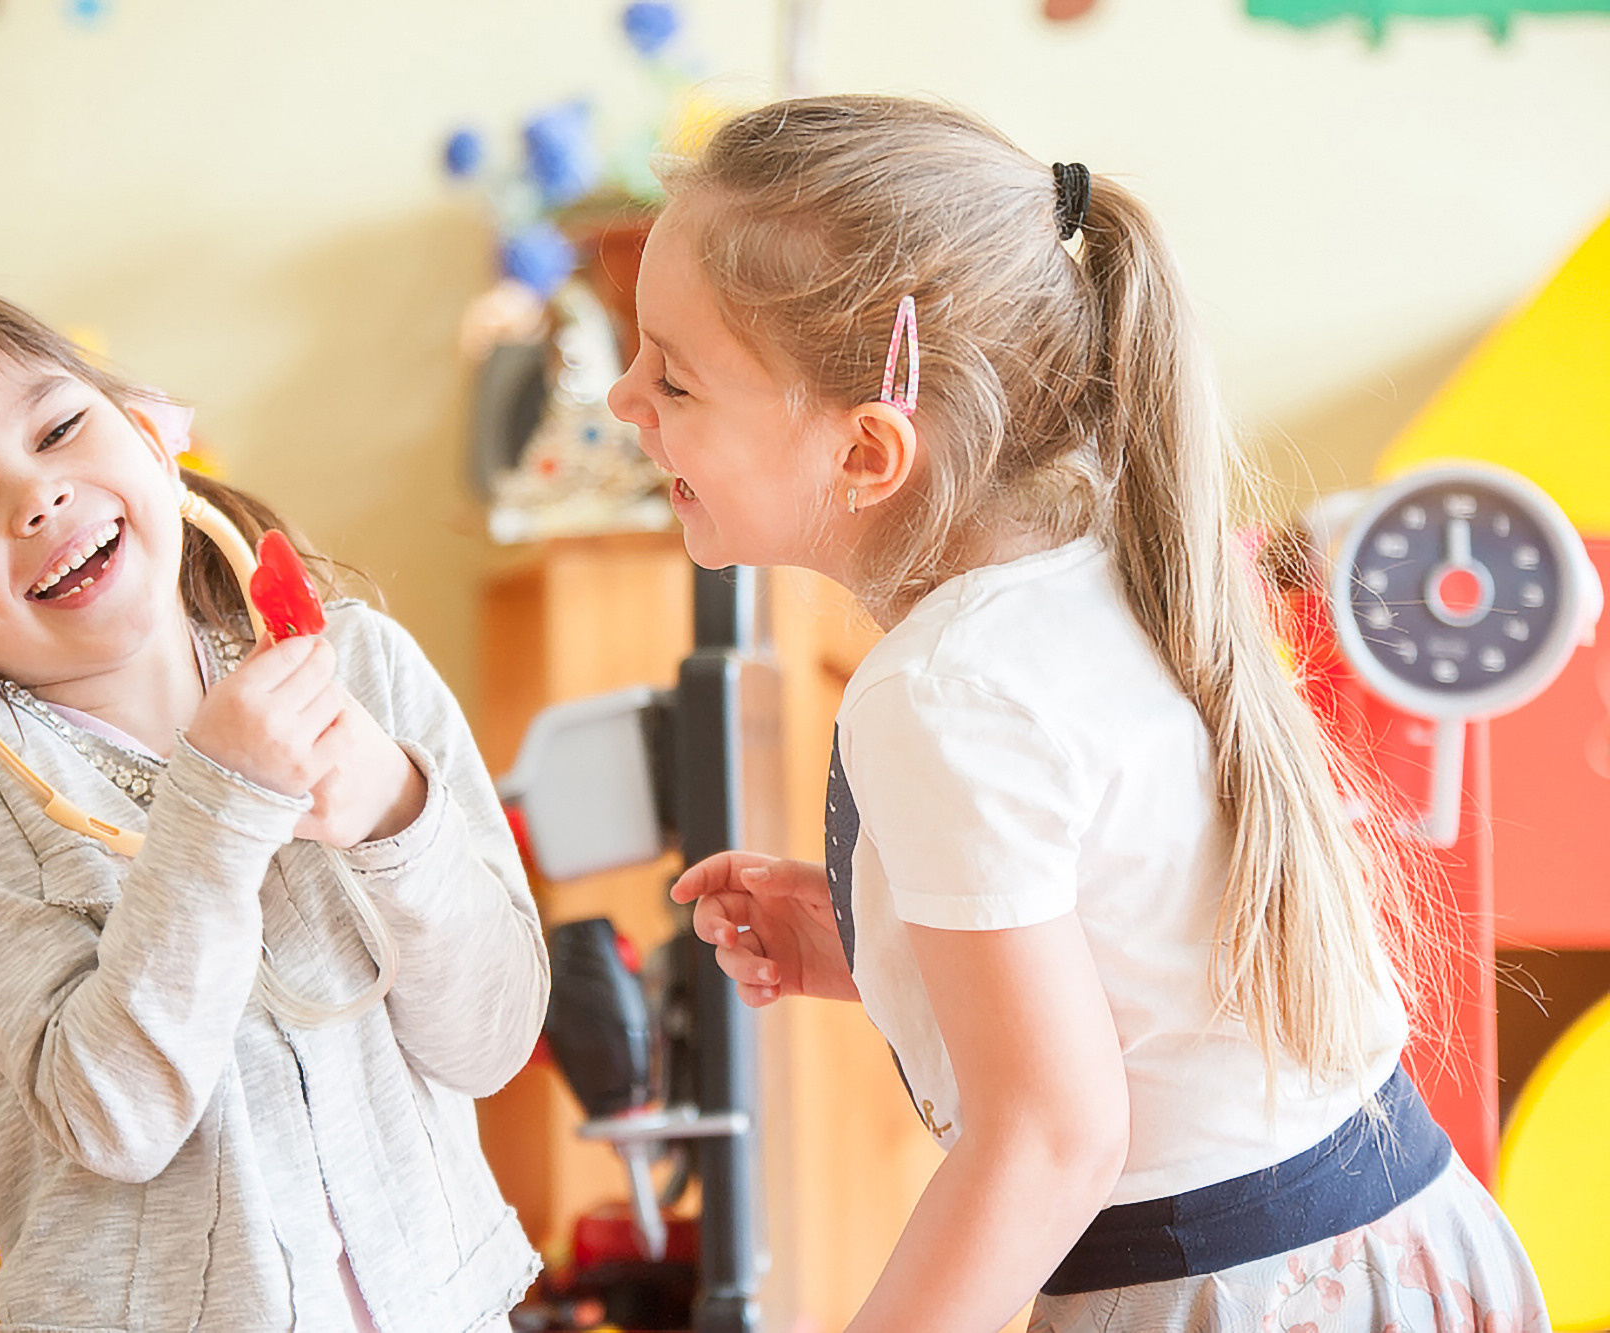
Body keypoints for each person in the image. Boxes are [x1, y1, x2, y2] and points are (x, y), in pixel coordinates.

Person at [609, 96, 1549, 1332]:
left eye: (673, 379)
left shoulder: (939, 689)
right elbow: (1144, 932)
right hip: (1400, 1249)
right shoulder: (1113, 559)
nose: (626, 402)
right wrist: (895, 941)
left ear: (865, 454)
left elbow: (1051, 1138)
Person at [0, 284, 545, 1333]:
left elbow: (491, 1041)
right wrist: (218, 806)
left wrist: (391, 810)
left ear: (148, 433)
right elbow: (113, 1116)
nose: (36, 497)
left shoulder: (355, 660)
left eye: (57, 428)